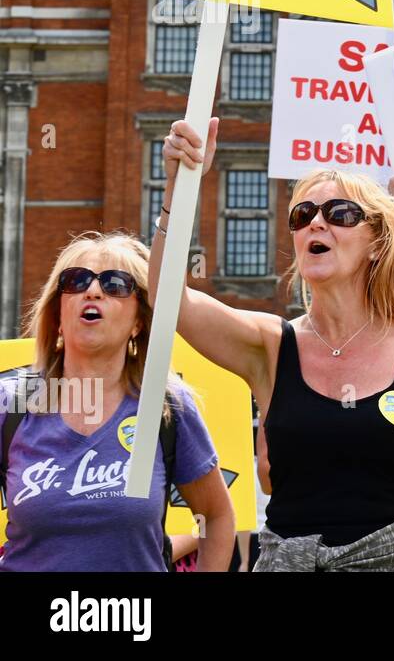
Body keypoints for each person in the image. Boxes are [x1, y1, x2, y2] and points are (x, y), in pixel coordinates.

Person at [152, 119, 394, 571]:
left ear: (376, 242)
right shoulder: (271, 345)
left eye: (339, 214)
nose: (316, 222)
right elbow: (167, 297)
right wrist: (181, 187)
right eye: (302, 215)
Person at [0, 232, 234, 572]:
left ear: (139, 321)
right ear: (57, 314)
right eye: (76, 281)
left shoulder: (167, 408)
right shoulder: (12, 405)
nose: (92, 291)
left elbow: (215, 517)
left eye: (116, 284)